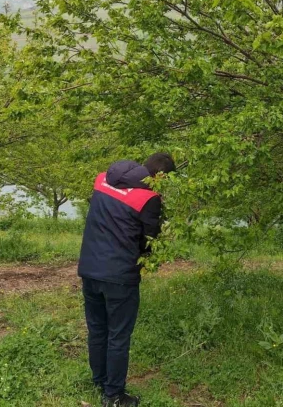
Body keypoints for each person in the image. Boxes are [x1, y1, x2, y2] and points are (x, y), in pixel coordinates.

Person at [78, 153, 176, 407]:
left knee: (98, 329)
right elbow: (148, 239)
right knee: (118, 335)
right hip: (119, 275)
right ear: (161, 177)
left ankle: (100, 381)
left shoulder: (102, 180)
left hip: (89, 268)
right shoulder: (149, 198)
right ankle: (113, 396)